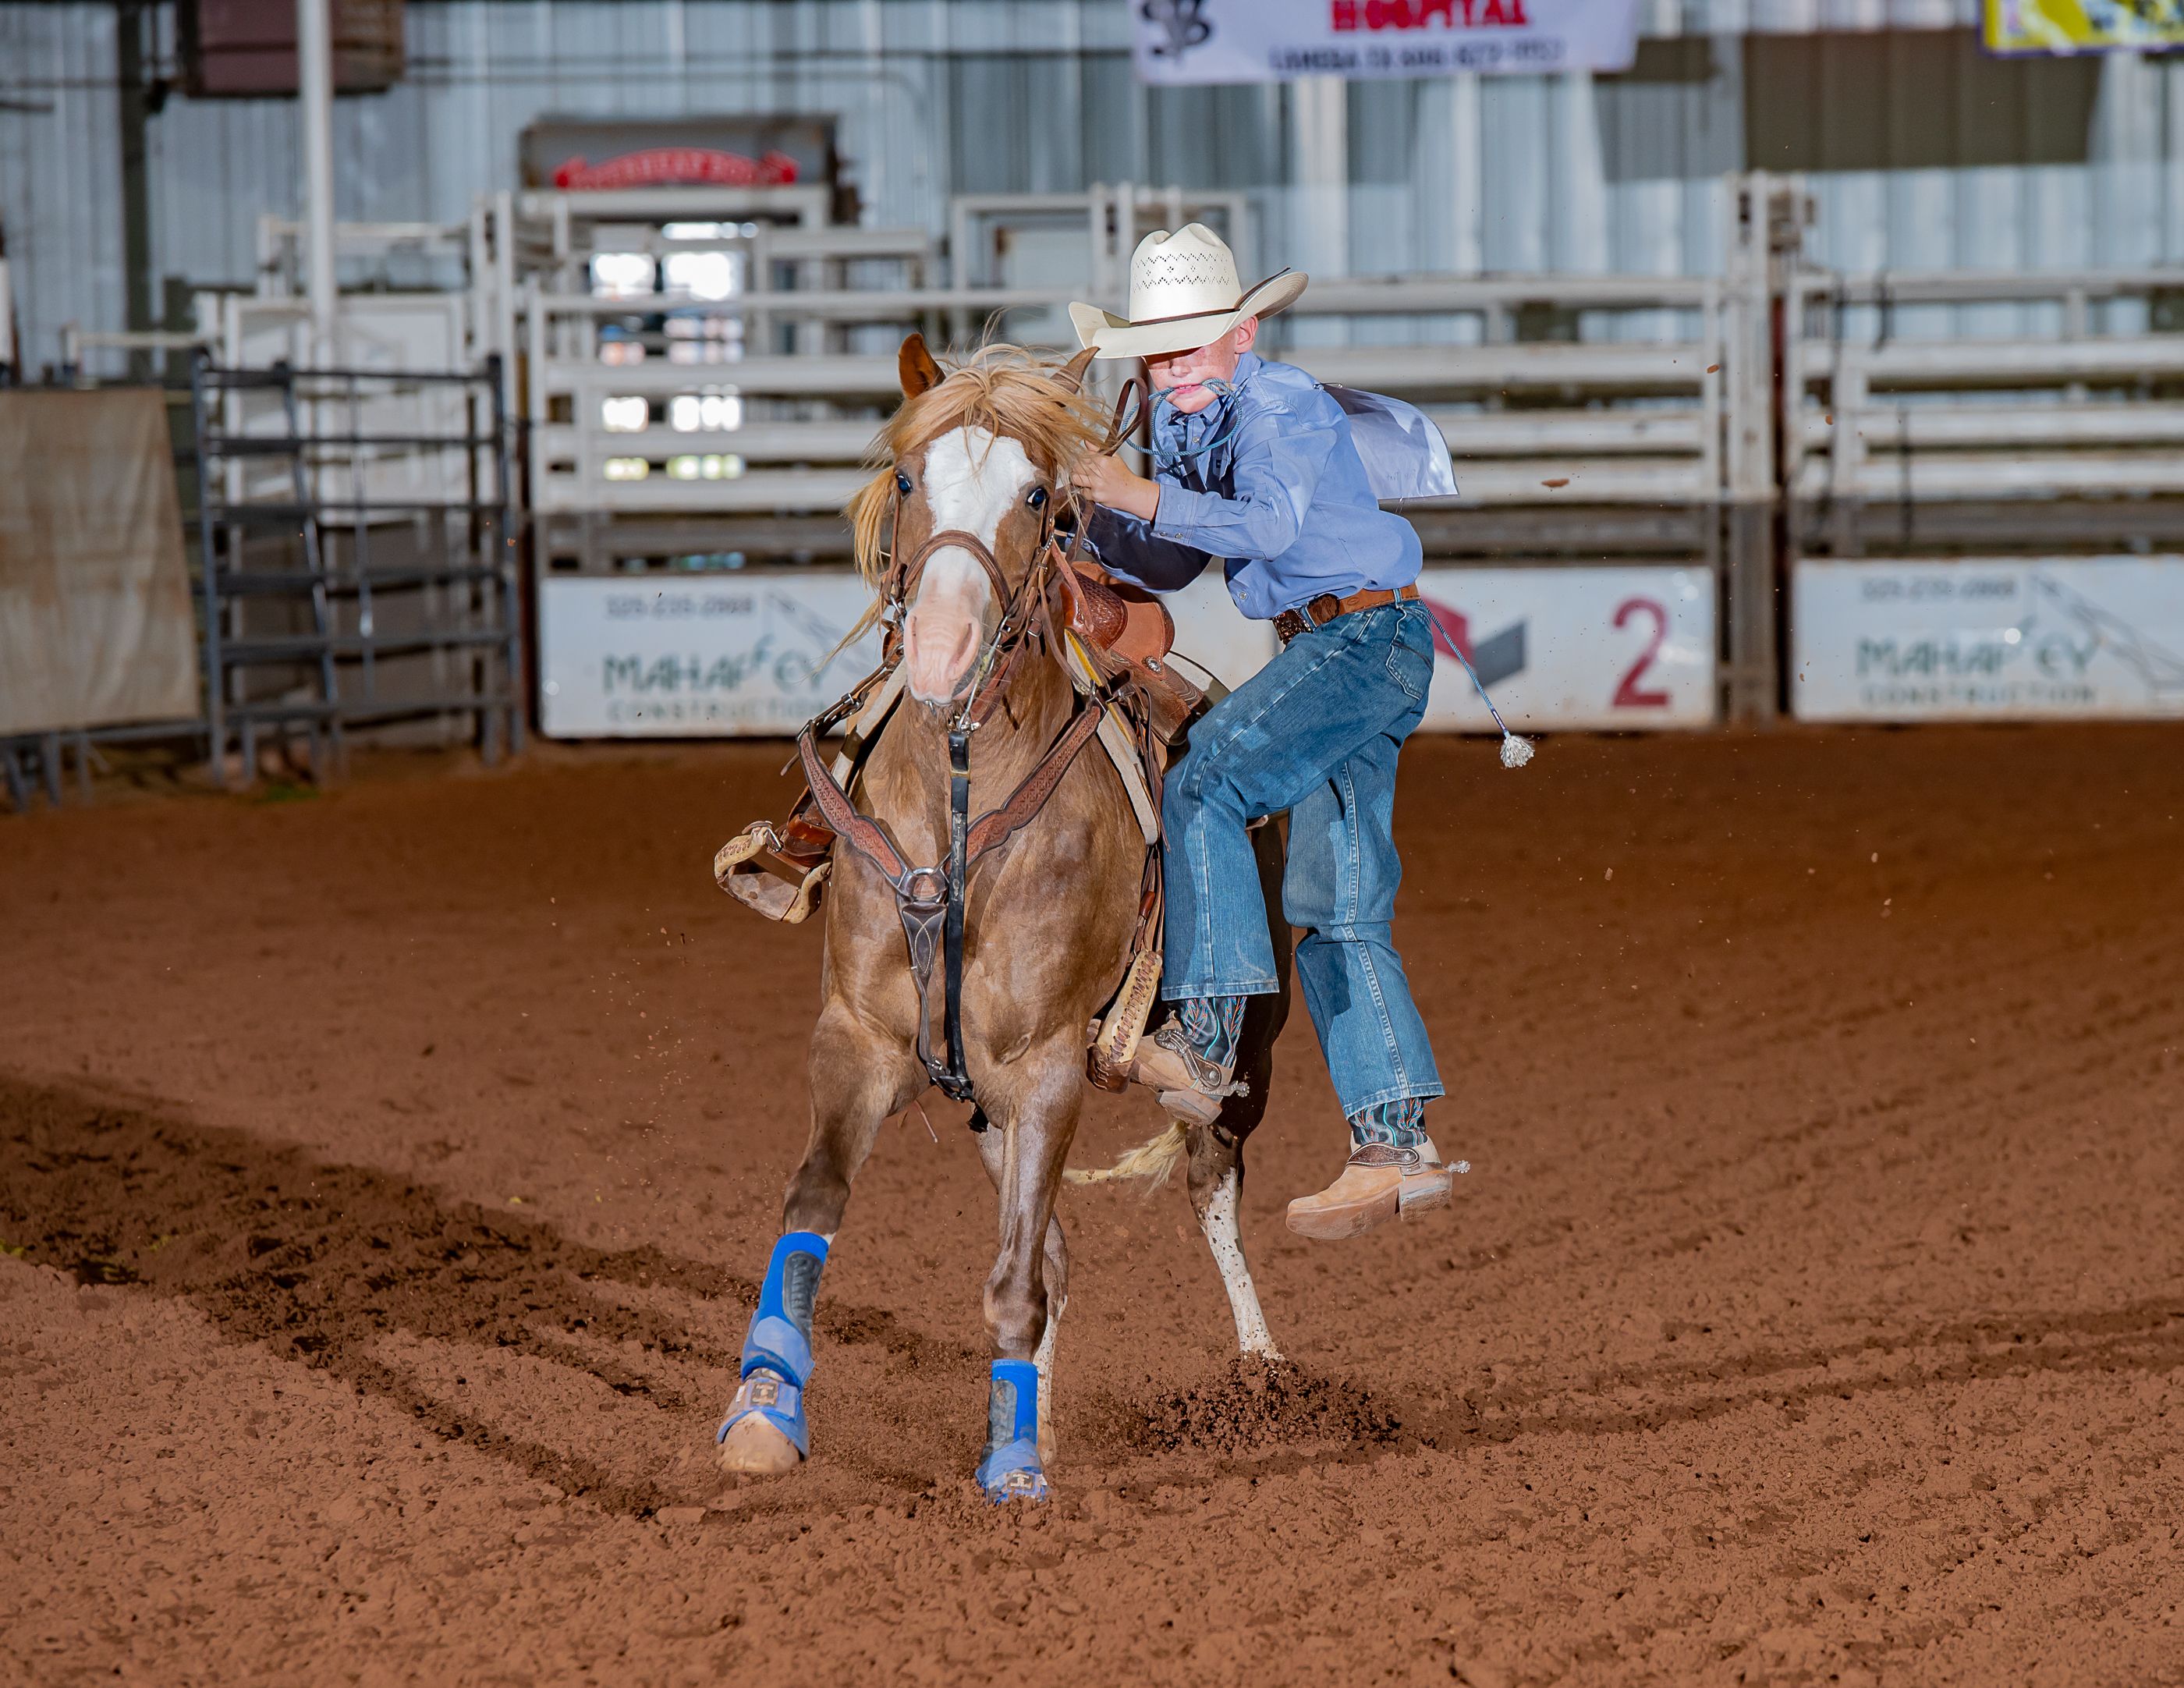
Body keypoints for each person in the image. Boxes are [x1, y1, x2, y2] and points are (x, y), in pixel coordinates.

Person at [1067, 224, 1451, 1240]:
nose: (1170, 366)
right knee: (1340, 909)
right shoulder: (1201, 423)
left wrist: (1124, 491)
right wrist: (1080, 524)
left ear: (1242, 337)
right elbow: (1178, 557)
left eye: (1188, 345)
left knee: (1206, 783)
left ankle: (1205, 1042)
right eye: (1157, 350)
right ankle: (1393, 1142)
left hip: (1356, 644)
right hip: (1361, 643)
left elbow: (1271, 527)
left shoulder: (1280, 405)